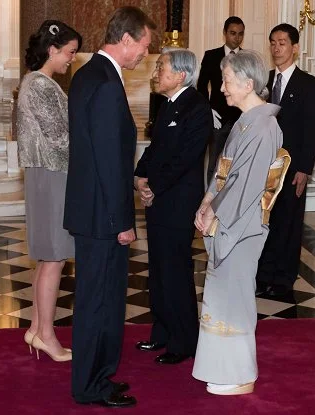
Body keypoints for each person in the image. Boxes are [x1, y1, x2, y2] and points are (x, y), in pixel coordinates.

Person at [64, 7, 156, 409]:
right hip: (103, 217)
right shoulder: (103, 82)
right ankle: (90, 386)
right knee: (99, 304)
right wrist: (124, 221)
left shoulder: (90, 75)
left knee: (98, 301)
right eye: (145, 47)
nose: (145, 56)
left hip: (94, 213)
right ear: (126, 40)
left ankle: (97, 377)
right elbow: (107, 160)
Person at [192, 50, 288, 395]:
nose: (222, 88)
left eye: (228, 81)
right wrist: (205, 203)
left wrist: (214, 211)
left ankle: (242, 373)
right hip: (228, 220)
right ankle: (223, 368)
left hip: (242, 227)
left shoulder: (263, 128)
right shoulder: (245, 122)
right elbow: (223, 173)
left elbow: (245, 187)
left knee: (236, 299)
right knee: (223, 297)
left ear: (248, 84)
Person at [134, 48, 212, 365]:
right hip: (160, 200)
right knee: (158, 270)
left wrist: (154, 188)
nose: (156, 73)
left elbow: (184, 160)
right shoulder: (168, 104)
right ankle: (162, 332)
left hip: (178, 202)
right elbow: (156, 149)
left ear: (180, 74)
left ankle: (184, 341)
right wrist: (140, 175)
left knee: (176, 271)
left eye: (161, 67)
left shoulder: (197, 108)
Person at [16, 20, 81, 363]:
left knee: (47, 257)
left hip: (47, 173)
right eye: (69, 52)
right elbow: (60, 138)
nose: (72, 58)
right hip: (52, 173)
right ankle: (46, 335)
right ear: (52, 50)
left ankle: (36, 328)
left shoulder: (39, 83)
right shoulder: (41, 85)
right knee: (54, 257)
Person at [256, 23, 315, 297]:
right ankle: (262, 274)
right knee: (263, 222)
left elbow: (311, 129)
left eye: (282, 43)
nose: (276, 48)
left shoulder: (309, 84)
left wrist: (305, 168)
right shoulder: (264, 81)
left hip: (292, 167)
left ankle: (283, 278)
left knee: (289, 222)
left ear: (295, 47)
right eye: (273, 42)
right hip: (262, 165)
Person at [197, 16, 245, 183]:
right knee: (215, 163)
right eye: (233, 33)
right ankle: (209, 203)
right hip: (217, 118)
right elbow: (201, 86)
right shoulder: (211, 56)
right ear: (225, 33)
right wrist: (208, 110)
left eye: (240, 34)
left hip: (241, 118)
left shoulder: (247, 58)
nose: (236, 37)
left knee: (239, 162)